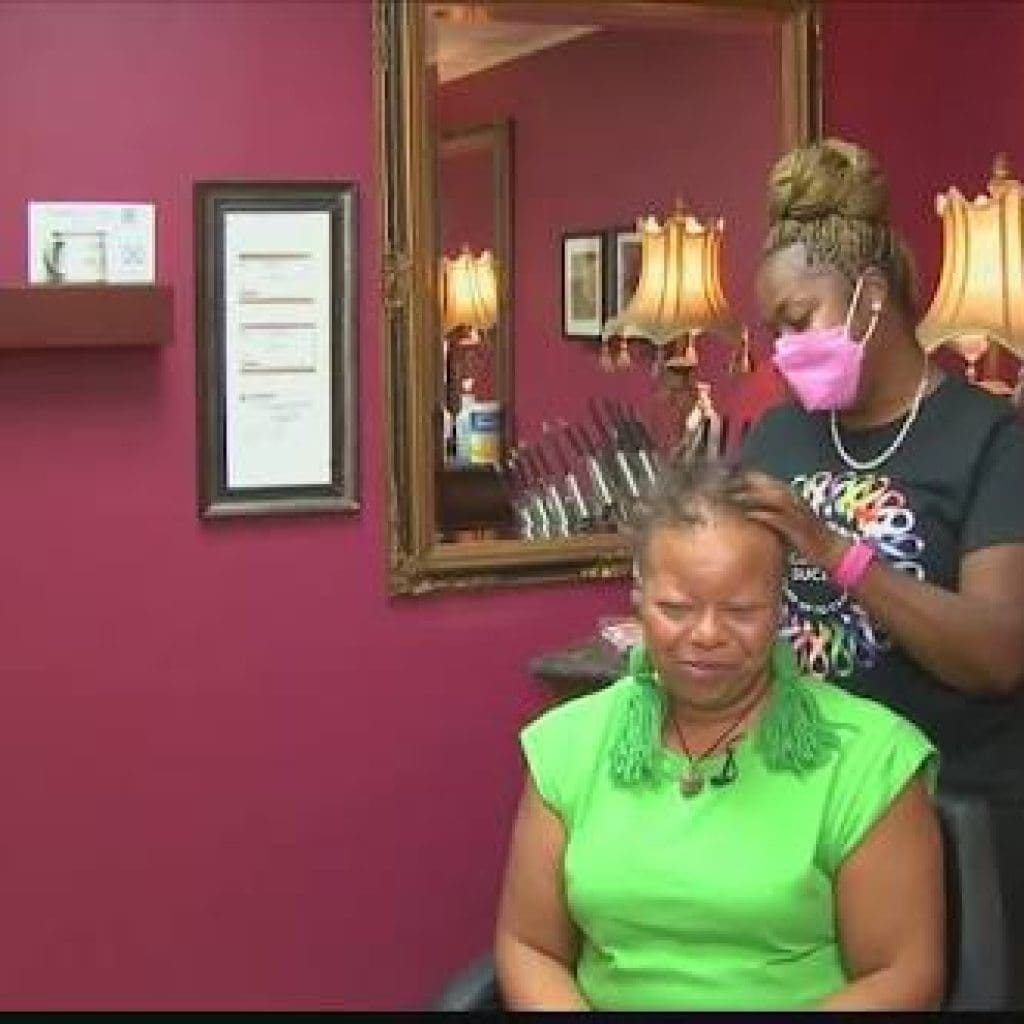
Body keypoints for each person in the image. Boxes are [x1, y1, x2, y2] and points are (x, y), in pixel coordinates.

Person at [495, 461, 944, 1011]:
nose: (707, 634)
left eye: (741, 611)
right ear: (638, 600)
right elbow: (530, 947)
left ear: (780, 608)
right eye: (676, 609)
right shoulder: (569, 744)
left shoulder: (869, 757)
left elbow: (902, 976)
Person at [738, 138, 1024, 799]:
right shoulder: (778, 436)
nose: (784, 349)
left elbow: (998, 656)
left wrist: (833, 549)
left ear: (870, 298)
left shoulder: (990, 440)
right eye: (775, 330)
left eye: (799, 319)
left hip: (946, 800)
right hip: (802, 792)